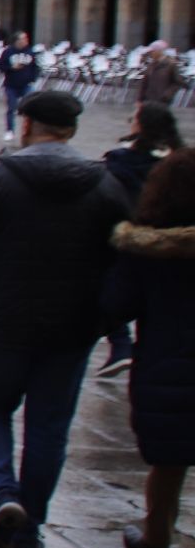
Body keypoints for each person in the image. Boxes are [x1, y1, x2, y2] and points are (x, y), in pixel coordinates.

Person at [0, 89, 133, 548]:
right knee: (49, 428)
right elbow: (123, 261)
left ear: (25, 125)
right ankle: (28, 533)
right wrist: (110, 322)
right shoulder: (105, 188)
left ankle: (3, 496)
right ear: (72, 131)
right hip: (70, 330)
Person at [104, 149, 195, 548]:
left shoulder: (145, 249)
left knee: (170, 463)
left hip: (167, 366)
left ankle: (157, 540)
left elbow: (116, 306)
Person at [97, 105, 183, 376]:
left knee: (111, 289)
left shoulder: (123, 160)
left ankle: (121, 344)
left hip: (130, 235)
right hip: (173, 239)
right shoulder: (180, 158)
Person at [0, 31, 41, 140]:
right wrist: (11, 68)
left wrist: (33, 78)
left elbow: (36, 67)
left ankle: (28, 131)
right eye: (23, 39)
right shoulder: (7, 52)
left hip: (26, 85)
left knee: (30, 108)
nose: (25, 41)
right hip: (11, 85)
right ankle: (9, 130)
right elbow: (1, 67)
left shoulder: (31, 52)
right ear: (17, 40)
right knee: (11, 108)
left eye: (26, 39)